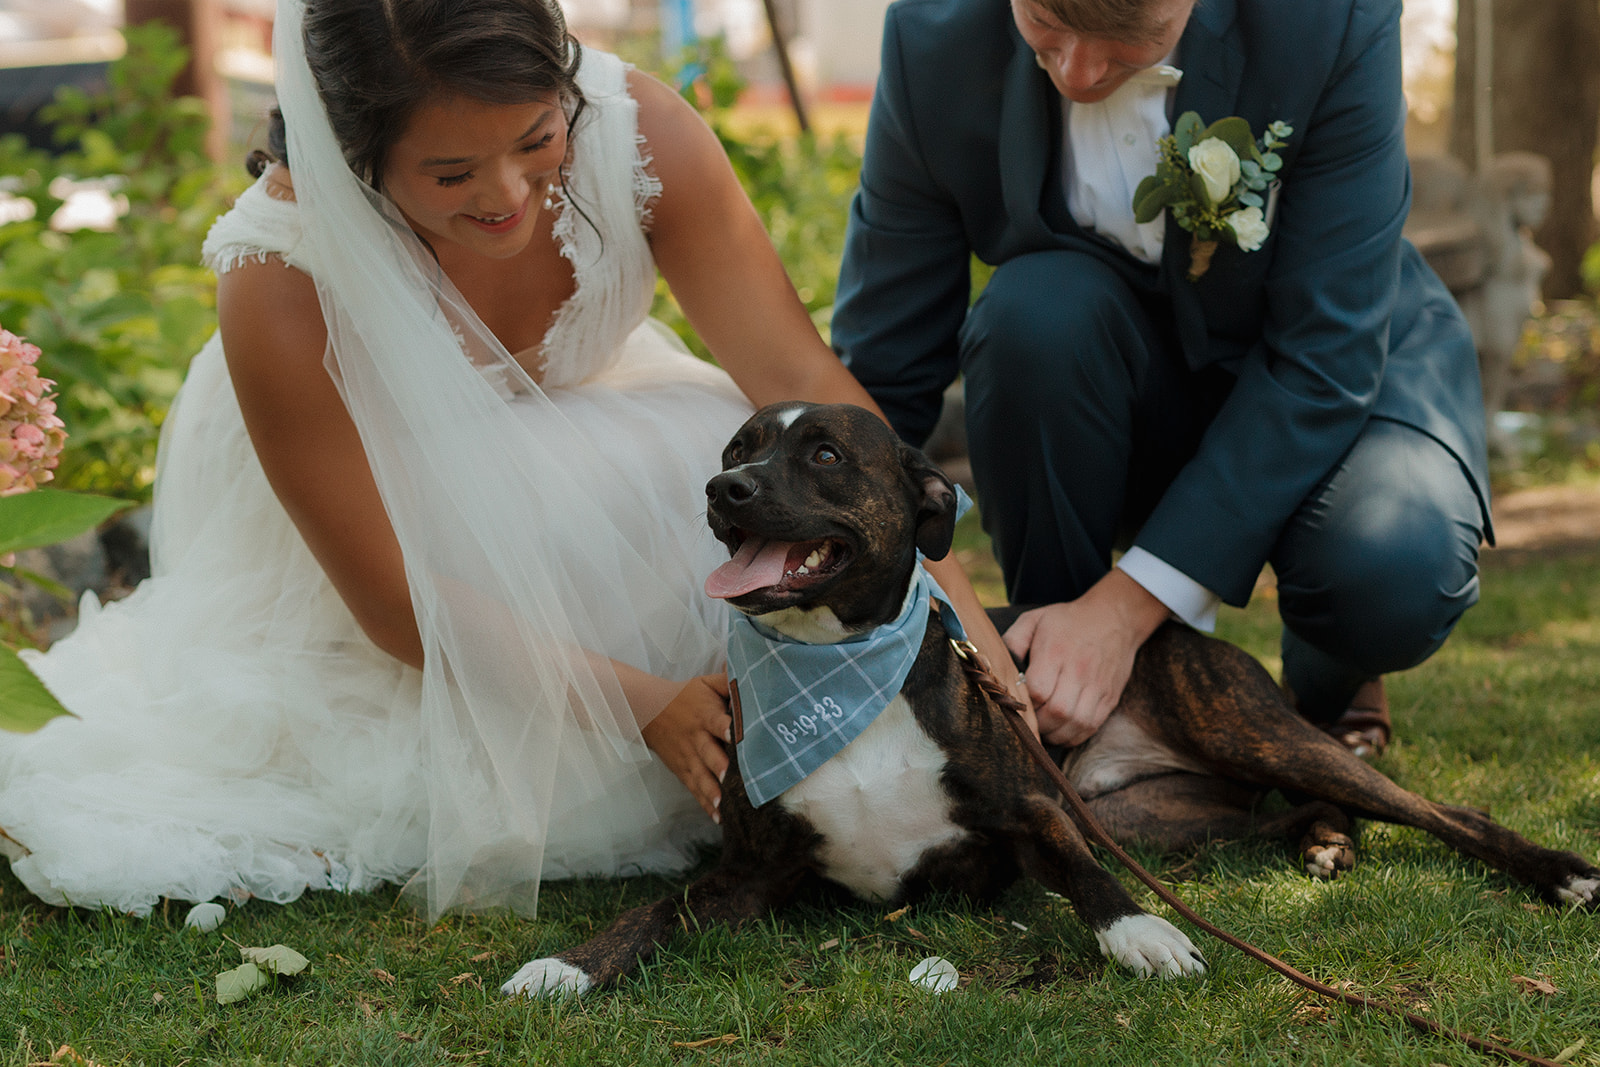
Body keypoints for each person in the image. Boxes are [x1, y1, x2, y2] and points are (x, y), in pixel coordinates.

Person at [0, 0, 1019, 919]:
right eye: (450, 174)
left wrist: (972, 643)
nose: (506, 195)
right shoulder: (279, 278)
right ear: (350, 155)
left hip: (608, 451)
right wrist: (643, 701)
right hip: (398, 535)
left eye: (537, 142)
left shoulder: (645, 135)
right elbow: (394, 601)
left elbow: (804, 384)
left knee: (731, 494)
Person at [832, 0, 1491, 757]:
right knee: (1033, 314)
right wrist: (824, 543)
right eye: (1045, 23)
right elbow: (887, 362)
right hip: (1101, 381)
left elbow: (1325, 354)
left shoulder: (1331, 20)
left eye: (1127, 37)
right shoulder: (932, 36)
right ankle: (1059, 672)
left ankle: (1331, 674)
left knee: (1389, 578)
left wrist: (1127, 607)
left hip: (1340, 369)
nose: (1077, 70)